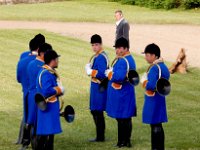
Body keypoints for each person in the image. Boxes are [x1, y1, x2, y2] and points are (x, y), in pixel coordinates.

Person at [105, 37, 137, 148]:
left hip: (122, 93)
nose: (117, 51)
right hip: (126, 92)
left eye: (119, 48)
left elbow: (119, 77)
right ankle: (126, 141)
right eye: (116, 48)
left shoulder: (123, 61)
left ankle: (122, 141)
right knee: (125, 118)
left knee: (122, 118)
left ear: (125, 48)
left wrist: (109, 74)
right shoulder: (128, 58)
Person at [140, 43, 170, 150]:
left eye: (147, 55)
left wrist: (144, 82)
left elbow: (152, 85)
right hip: (160, 98)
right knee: (158, 124)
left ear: (154, 56)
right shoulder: (163, 66)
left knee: (154, 124)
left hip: (153, 99)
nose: (146, 57)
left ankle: (155, 148)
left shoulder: (154, 68)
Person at [35, 50, 64, 150]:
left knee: (46, 135)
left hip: (48, 108)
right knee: (47, 137)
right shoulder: (46, 73)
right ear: (53, 60)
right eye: (57, 59)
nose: (58, 61)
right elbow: (47, 91)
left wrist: (59, 91)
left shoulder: (46, 71)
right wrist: (59, 89)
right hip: (49, 108)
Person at [26, 43, 52, 149]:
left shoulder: (31, 64)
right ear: (42, 53)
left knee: (33, 123)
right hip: (40, 97)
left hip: (31, 96)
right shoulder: (44, 68)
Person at [85, 34, 109, 142]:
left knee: (97, 111)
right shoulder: (98, 56)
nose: (94, 47)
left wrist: (91, 71)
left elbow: (103, 74)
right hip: (95, 87)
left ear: (100, 44)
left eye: (96, 45)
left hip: (99, 87)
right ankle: (100, 135)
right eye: (93, 45)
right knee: (94, 111)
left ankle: (100, 137)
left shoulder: (101, 57)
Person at [16, 38, 40, 149]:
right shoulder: (40, 61)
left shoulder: (22, 58)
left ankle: (23, 142)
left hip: (25, 91)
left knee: (26, 117)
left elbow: (19, 78)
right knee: (35, 119)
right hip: (36, 93)